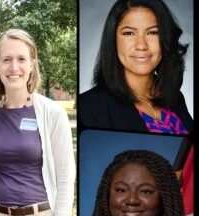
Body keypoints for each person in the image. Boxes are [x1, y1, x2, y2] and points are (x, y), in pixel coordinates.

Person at [0, 28, 75, 216]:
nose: (14, 67)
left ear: (32, 64)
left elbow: (65, 177)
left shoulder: (51, 113)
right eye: (6, 60)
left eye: (21, 59)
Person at [79, 0, 193, 134]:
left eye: (153, 32)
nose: (141, 45)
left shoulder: (174, 97)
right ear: (113, 40)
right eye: (129, 33)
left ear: (165, 38)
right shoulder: (88, 107)